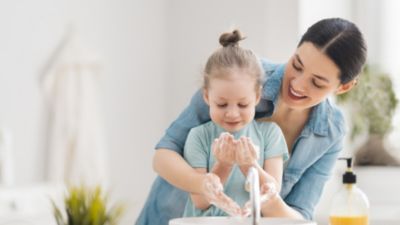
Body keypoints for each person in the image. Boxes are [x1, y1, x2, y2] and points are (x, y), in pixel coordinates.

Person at [135, 17, 367, 225]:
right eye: (296, 65)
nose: (297, 84)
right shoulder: (241, 74)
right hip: (167, 217)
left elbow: (299, 216)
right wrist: (203, 184)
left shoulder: (330, 132)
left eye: (317, 82)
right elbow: (163, 155)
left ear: (344, 87)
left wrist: (263, 189)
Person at [181, 30, 288, 217]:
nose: (232, 113)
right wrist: (224, 165)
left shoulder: (270, 134)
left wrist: (250, 166)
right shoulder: (198, 136)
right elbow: (200, 201)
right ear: (207, 96)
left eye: (242, 104)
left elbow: (272, 193)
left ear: (257, 96)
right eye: (221, 104)